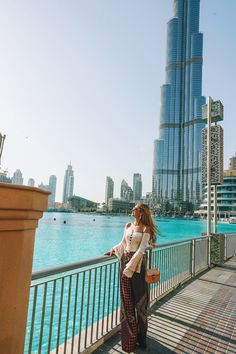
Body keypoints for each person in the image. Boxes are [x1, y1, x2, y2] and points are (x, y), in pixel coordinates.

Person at [105, 203, 157, 353]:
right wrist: (113, 250)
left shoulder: (146, 228)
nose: (132, 210)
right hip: (124, 264)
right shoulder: (128, 225)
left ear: (141, 212)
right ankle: (129, 339)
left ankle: (142, 339)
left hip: (138, 268)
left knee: (140, 304)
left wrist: (129, 268)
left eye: (135, 209)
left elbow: (141, 251)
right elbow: (123, 244)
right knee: (127, 302)